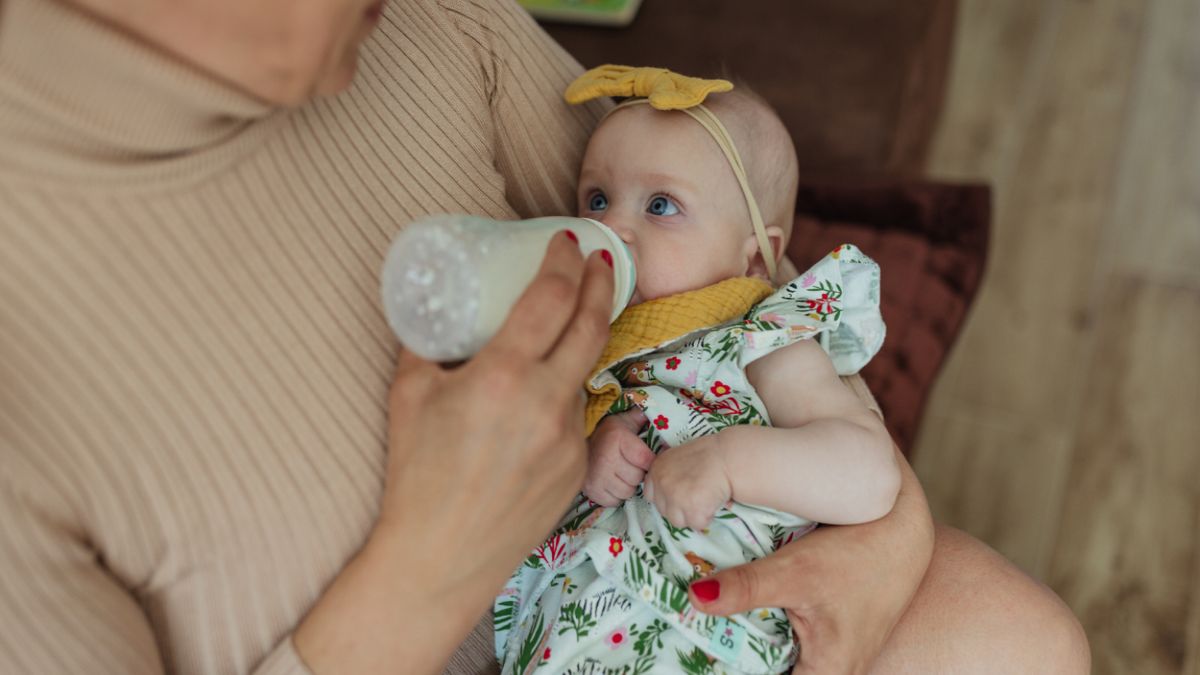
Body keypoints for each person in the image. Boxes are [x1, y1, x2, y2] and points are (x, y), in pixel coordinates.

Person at [0, 0, 1089, 673]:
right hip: (545, 629)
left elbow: (717, 261)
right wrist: (429, 568)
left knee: (1025, 641)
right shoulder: (28, 382)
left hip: (684, 597)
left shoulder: (423, 24)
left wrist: (886, 537)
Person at [495, 70, 901, 674]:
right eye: (597, 199)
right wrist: (593, 454)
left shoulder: (758, 340)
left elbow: (867, 471)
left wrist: (728, 462)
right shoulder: (596, 352)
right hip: (566, 636)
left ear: (754, 256)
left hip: (703, 639)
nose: (612, 228)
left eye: (661, 205)